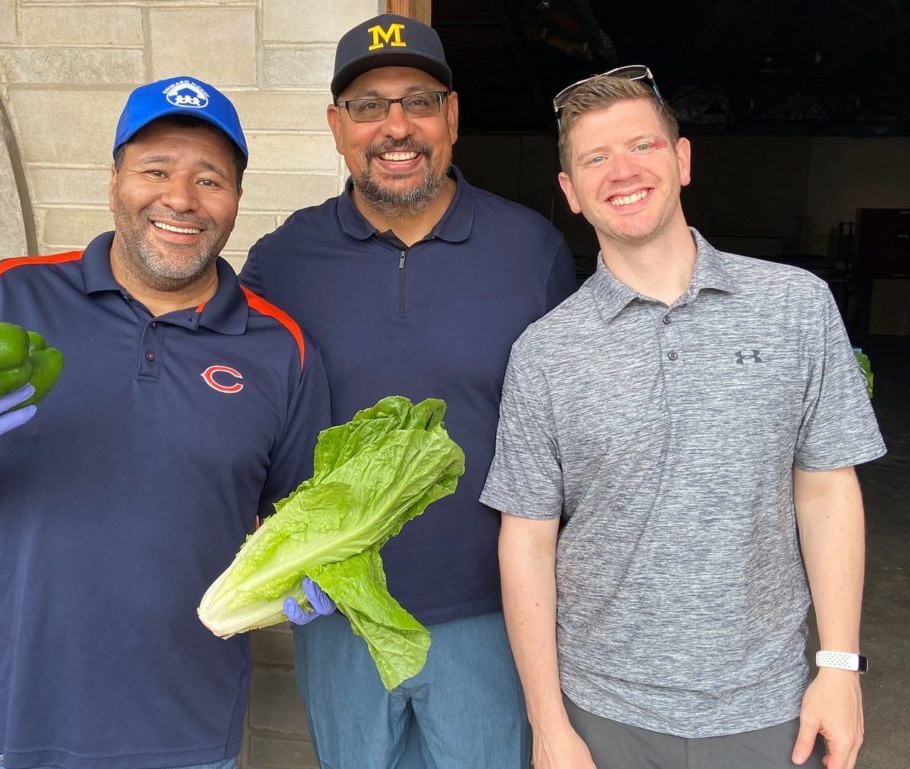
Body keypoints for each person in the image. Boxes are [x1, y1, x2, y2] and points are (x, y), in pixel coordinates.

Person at [0, 75, 334, 769]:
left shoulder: (282, 348)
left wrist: (318, 567)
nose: (181, 199)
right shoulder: (6, 297)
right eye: (156, 170)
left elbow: (302, 518)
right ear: (115, 179)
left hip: (185, 733)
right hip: (10, 722)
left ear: (237, 200)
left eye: (210, 179)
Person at [480, 66, 887, 769]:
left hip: (768, 709)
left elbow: (825, 489)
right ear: (571, 194)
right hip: (601, 711)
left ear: (683, 160)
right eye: (595, 158)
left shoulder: (795, 306)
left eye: (642, 145)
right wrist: (548, 723)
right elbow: (527, 541)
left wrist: (840, 664)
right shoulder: (545, 352)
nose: (623, 171)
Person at [239, 13, 577, 769]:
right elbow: (239, 410)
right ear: (336, 126)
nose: (396, 126)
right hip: (340, 613)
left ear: (451, 117)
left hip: (489, 614)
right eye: (367, 106)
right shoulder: (283, 259)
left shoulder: (531, 250)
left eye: (418, 100)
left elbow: (577, 428)